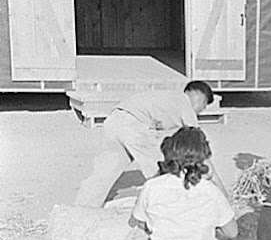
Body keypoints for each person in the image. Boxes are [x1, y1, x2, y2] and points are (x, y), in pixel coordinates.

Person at [74, 81, 227, 207]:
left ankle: (81, 209)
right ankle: (168, 208)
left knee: (104, 172)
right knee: (161, 171)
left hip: (114, 120)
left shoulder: (169, 100)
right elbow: (198, 150)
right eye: (205, 104)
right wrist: (221, 191)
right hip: (133, 126)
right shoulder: (184, 102)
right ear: (199, 96)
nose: (202, 110)